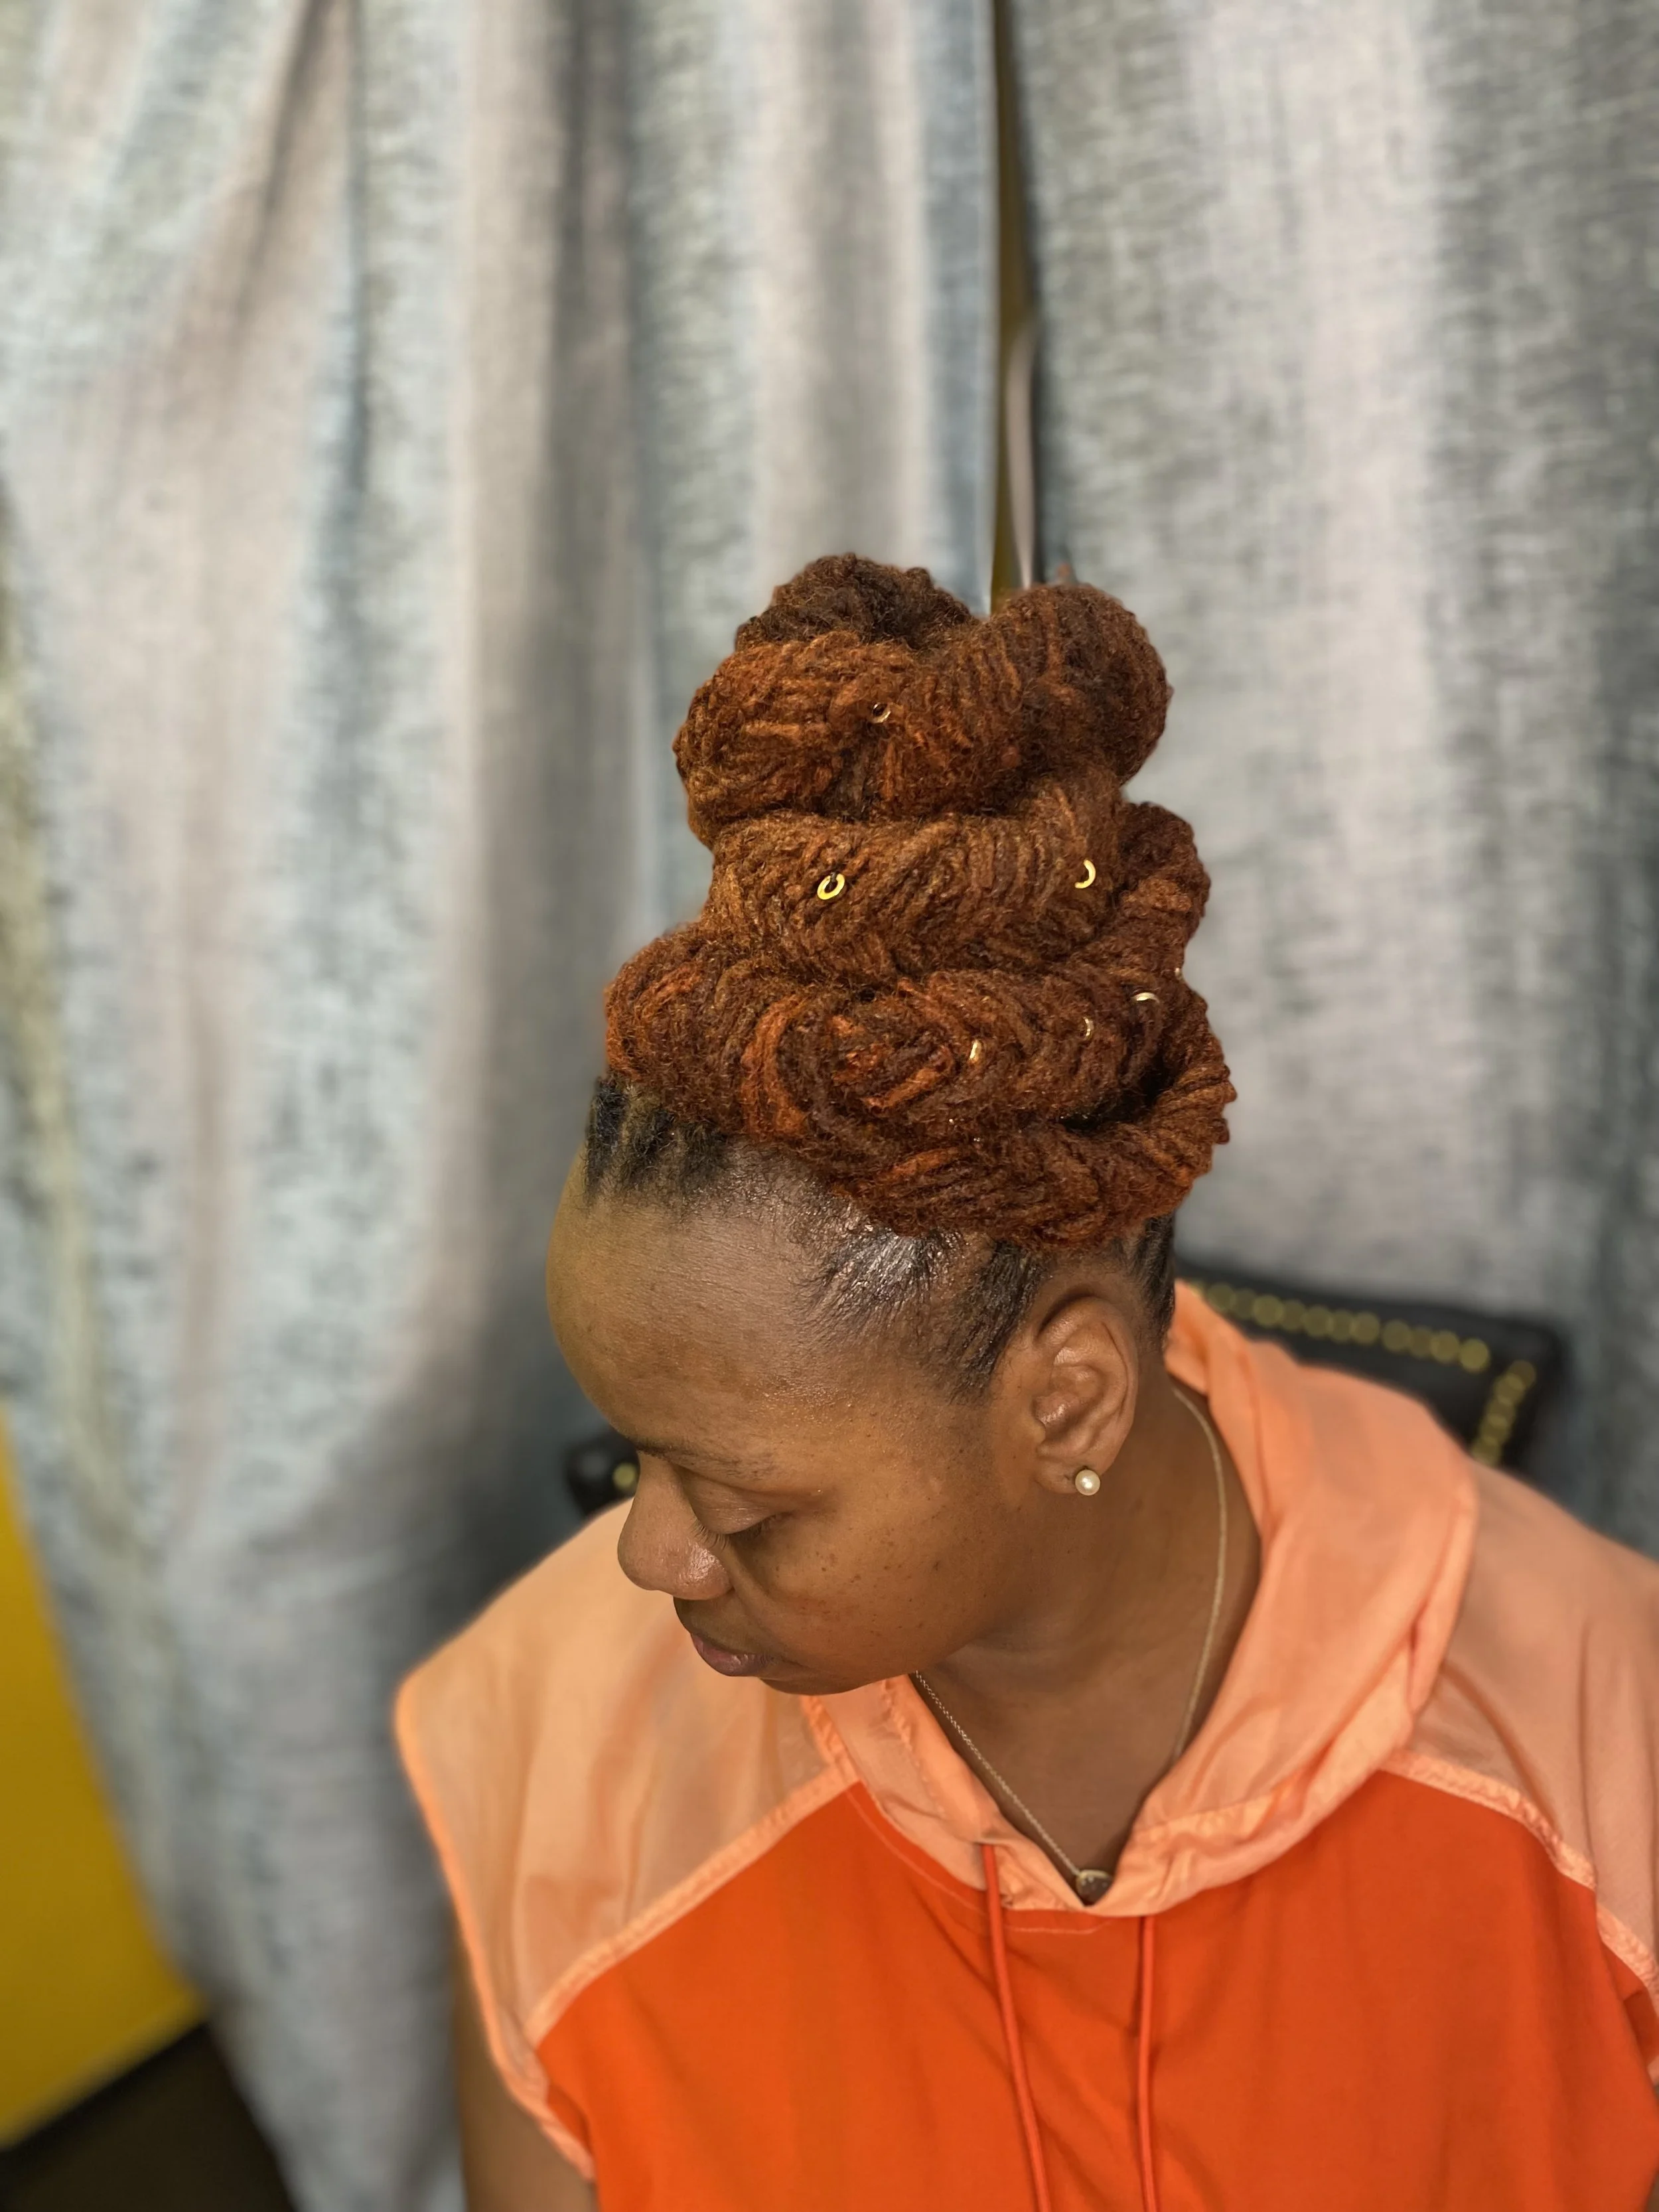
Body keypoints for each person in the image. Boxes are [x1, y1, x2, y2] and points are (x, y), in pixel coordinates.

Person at [397, 556, 1659, 2211]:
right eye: (640, 1455)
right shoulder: (558, 1734)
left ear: (1064, 1397)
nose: (648, 1558)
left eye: (751, 1504)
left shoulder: (1582, 1727)